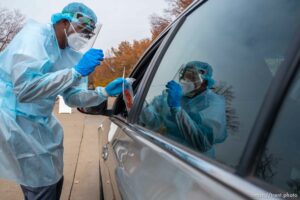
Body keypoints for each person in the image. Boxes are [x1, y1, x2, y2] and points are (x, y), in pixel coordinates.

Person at [0, 2, 125, 199]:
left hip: (41, 122)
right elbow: (24, 89)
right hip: (12, 119)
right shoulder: (34, 38)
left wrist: (103, 92)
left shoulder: (72, 56)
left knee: (53, 179)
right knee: (40, 186)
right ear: (65, 22)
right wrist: (74, 73)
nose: (84, 38)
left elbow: (73, 97)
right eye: (82, 30)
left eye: (88, 34)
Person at [140, 61, 227, 157]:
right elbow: (152, 121)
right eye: (184, 76)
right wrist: (131, 98)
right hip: (166, 154)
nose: (185, 81)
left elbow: (203, 143)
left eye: (191, 77)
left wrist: (176, 109)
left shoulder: (213, 102)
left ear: (204, 83)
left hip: (195, 163)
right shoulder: (170, 96)